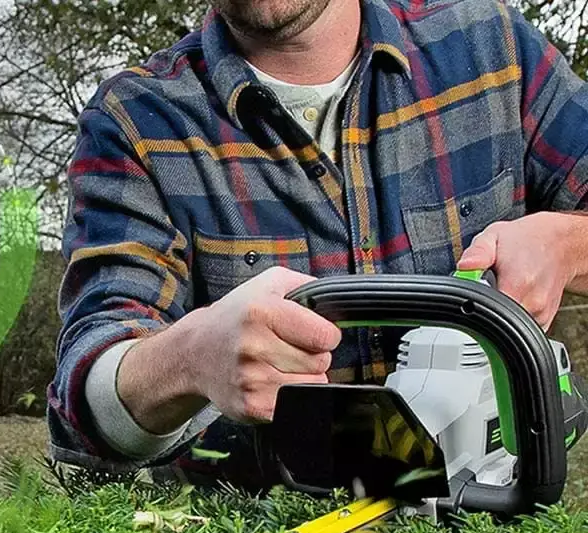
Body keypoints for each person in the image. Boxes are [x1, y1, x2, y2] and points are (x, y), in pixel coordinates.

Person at [47, 0, 588, 489]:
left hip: (493, 530)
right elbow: (89, 396)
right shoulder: (135, 120)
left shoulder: (489, 45)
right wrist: (189, 358)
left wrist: (567, 243)